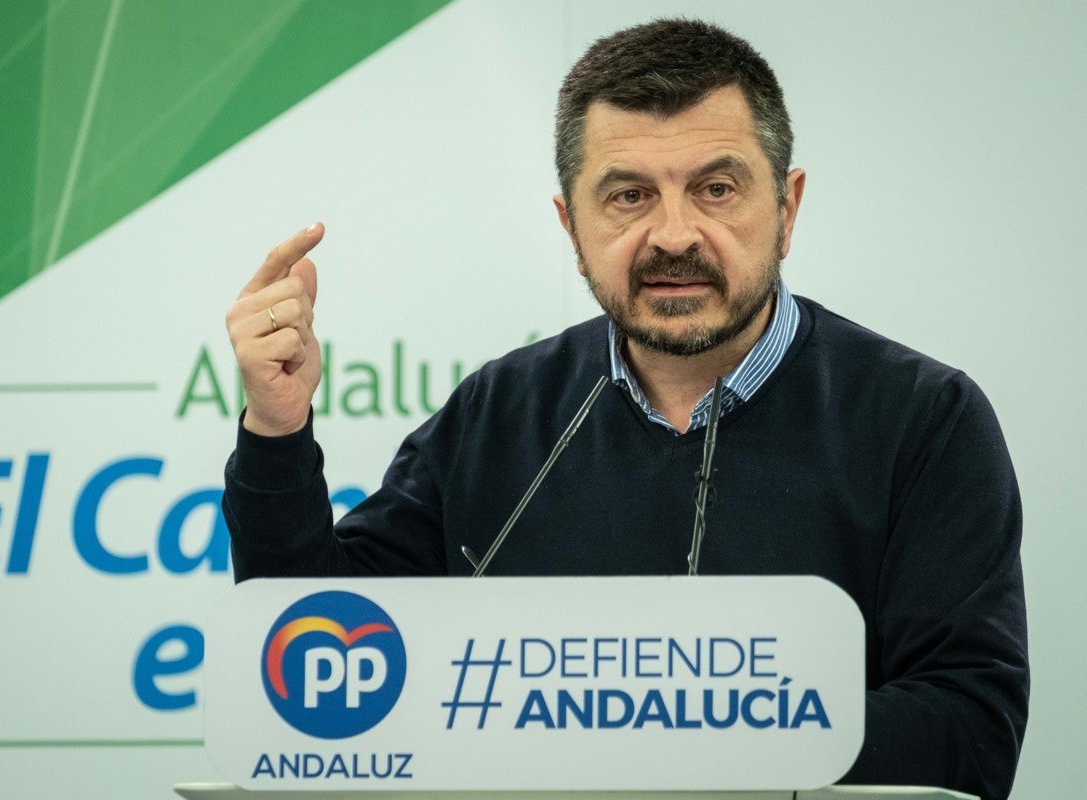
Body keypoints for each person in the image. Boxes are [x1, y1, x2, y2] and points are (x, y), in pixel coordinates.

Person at [221, 18, 1027, 800]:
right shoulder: (495, 415)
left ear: (787, 208)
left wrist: (651, 725)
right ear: (571, 226)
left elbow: (969, 735)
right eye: (629, 196)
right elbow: (313, 660)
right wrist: (277, 431)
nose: (674, 235)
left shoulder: (923, 418)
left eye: (717, 189)